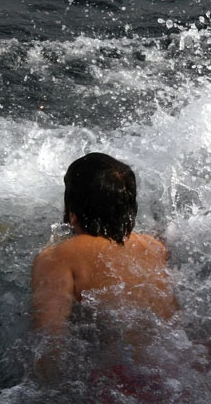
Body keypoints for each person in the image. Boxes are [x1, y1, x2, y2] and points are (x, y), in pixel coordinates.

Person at [30, 152, 179, 390]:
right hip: (172, 379)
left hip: (112, 384)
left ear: (72, 210)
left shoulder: (57, 258)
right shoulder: (154, 247)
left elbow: (48, 343)